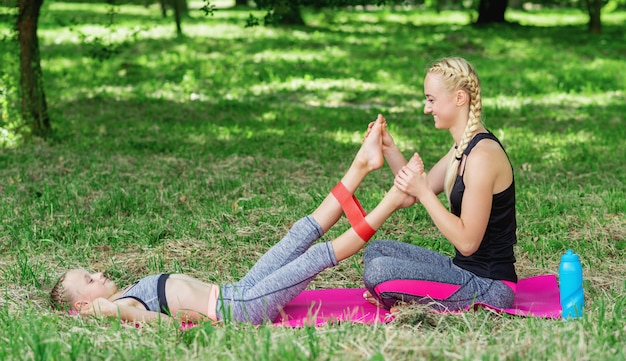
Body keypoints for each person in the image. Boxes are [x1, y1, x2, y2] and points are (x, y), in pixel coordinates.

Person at [49, 115, 419, 325]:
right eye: (89, 280)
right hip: (241, 309)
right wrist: (107, 311)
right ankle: (392, 200)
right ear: (82, 305)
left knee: (295, 238)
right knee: (313, 256)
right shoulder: (122, 308)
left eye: (91, 271)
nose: (98, 274)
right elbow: (165, 327)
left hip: (235, 291)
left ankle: (362, 165)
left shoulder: (128, 294)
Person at [362, 57, 517, 312]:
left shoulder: (482, 157)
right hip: (462, 271)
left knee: (380, 271)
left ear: (459, 98)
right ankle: (397, 292)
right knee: (377, 250)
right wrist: (388, 146)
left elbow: (468, 242)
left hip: (489, 287)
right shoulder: (462, 147)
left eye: (431, 99)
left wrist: (423, 192)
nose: (426, 108)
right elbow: (413, 191)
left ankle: (397, 293)